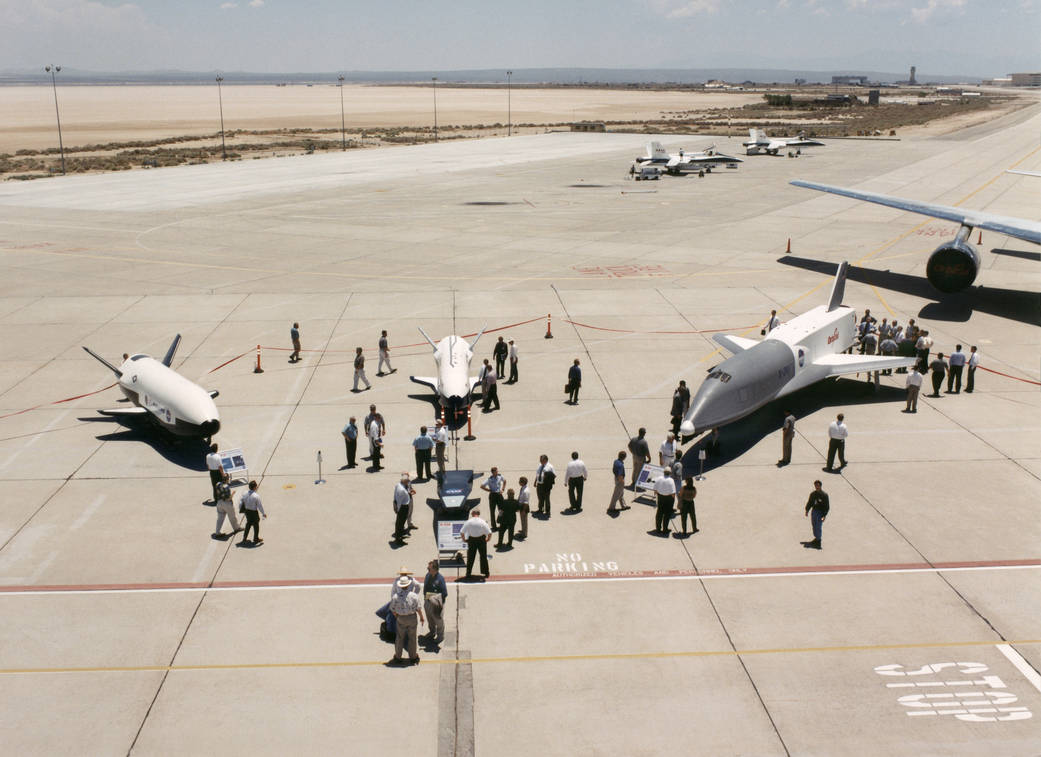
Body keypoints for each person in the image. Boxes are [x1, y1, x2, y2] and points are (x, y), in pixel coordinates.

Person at [389, 574, 424, 666]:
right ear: (408, 585)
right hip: (412, 618)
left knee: (400, 637)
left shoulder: (396, 596)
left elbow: (392, 608)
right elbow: (418, 608)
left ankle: (398, 656)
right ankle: (413, 656)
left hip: (401, 618)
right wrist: (421, 617)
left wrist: (397, 615)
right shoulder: (414, 596)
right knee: (412, 637)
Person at [461, 508, 492, 580]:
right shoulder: (483, 521)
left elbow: (462, 532)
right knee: (483, 556)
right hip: (481, 540)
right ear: (478, 514)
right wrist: (488, 539)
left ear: (472, 514)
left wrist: (464, 540)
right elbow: (489, 533)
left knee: (470, 557)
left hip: (471, 540)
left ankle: (468, 573)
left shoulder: (468, 522)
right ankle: (486, 572)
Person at [422, 560, 447, 644]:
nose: (428, 570)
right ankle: (432, 632)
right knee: (430, 619)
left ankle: (440, 636)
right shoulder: (428, 575)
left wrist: (434, 597)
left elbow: (444, 593)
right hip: (428, 602)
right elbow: (425, 588)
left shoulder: (440, 579)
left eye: (429, 569)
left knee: (438, 621)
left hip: (436, 604)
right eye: (428, 568)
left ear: (435, 569)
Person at [804, 480, 830, 550]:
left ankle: (818, 542)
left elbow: (827, 506)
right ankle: (816, 539)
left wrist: (824, 515)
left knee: (818, 526)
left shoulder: (824, 495)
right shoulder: (813, 494)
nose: (817, 487)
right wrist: (807, 510)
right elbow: (810, 502)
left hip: (820, 513)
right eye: (815, 485)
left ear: (820, 486)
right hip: (814, 511)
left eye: (818, 485)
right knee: (814, 525)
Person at [239, 480, 266, 546]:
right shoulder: (256, 496)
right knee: (256, 525)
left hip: (247, 511)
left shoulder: (245, 493)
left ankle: (244, 538)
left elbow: (241, 502)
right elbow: (259, 506)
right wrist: (263, 513)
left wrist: (241, 509)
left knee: (248, 524)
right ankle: (256, 538)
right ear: (255, 487)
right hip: (253, 512)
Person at [393, 474, 414, 544]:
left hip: (403, 506)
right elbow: (399, 501)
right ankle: (399, 540)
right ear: (404, 481)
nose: (408, 482)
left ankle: (401, 533)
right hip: (402, 507)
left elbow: (395, 496)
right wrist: (398, 509)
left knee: (401, 522)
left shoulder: (398, 485)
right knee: (400, 523)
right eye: (407, 481)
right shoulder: (401, 490)